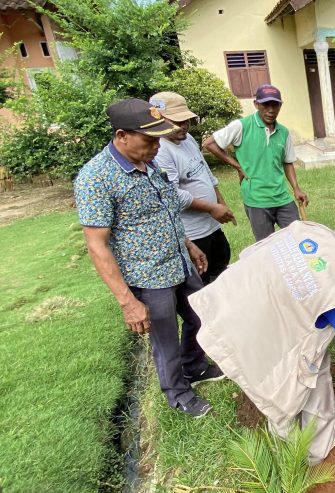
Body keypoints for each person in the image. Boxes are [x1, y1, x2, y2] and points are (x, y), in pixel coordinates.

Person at [188, 218, 335, 463]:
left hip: (232, 303)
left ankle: (281, 430)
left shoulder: (314, 230)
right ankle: (317, 445)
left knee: (262, 366)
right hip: (259, 324)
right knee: (314, 363)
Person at [74, 99, 227, 418]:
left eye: (158, 138)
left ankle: (195, 366)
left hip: (180, 262)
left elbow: (166, 210)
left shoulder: (150, 163)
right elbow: (97, 246)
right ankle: (177, 392)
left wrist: (189, 245)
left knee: (202, 315)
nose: (157, 146)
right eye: (149, 140)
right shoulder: (96, 178)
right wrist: (127, 301)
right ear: (122, 135)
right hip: (148, 276)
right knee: (165, 338)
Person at [202, 84, 309, 241]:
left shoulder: (284, 132)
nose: (271, 110)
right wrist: (237, 166)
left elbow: (287, 162)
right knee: (267, 247)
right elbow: (209, 144)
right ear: (256, 104)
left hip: (282, 197)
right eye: (266, 104)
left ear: (280, 106)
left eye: (275, 105)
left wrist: (296, 188)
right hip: (256, 199)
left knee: (298, 239)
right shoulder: (242, 126)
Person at [149, 91, 236, 284]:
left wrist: (221, 203)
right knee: (202, 282)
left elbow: (205, 173)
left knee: (222, 271)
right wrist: (212, 208)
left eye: (186, 120)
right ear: (159, 119)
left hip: (212, 225)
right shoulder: (160, 151)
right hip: (193, 233)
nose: (184, 125)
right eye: (177, 122)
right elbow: (172, 195)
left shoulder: (187, 139)